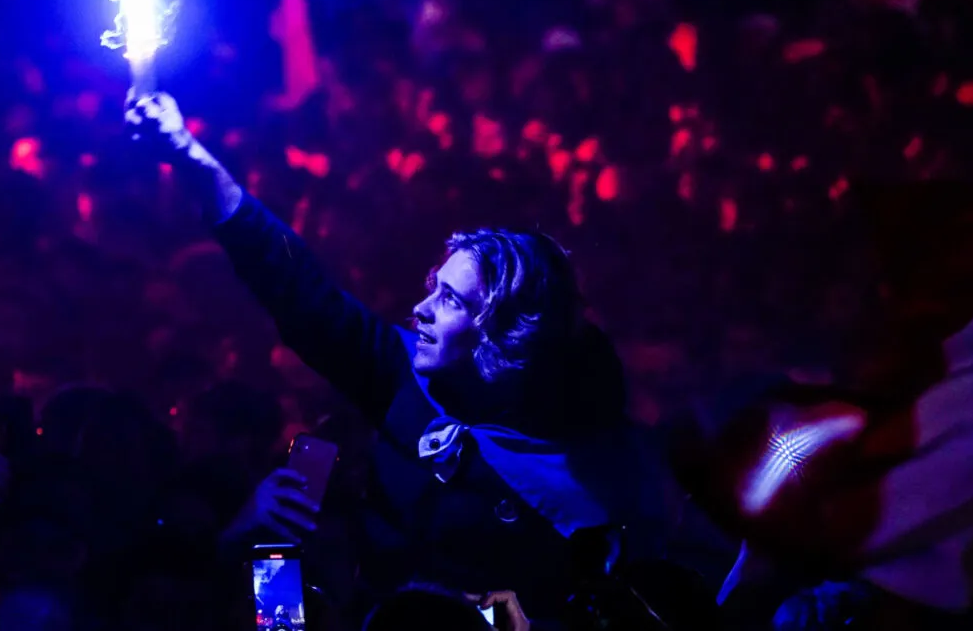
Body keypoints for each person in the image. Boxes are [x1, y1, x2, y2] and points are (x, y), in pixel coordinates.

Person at [127, 93, 669, 624]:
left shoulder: (597, 484)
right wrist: (190, 156)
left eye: (452, 300)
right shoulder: (389, 389)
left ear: (509, 335)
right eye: (435, 287)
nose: (420, 309)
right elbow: (294, 284)